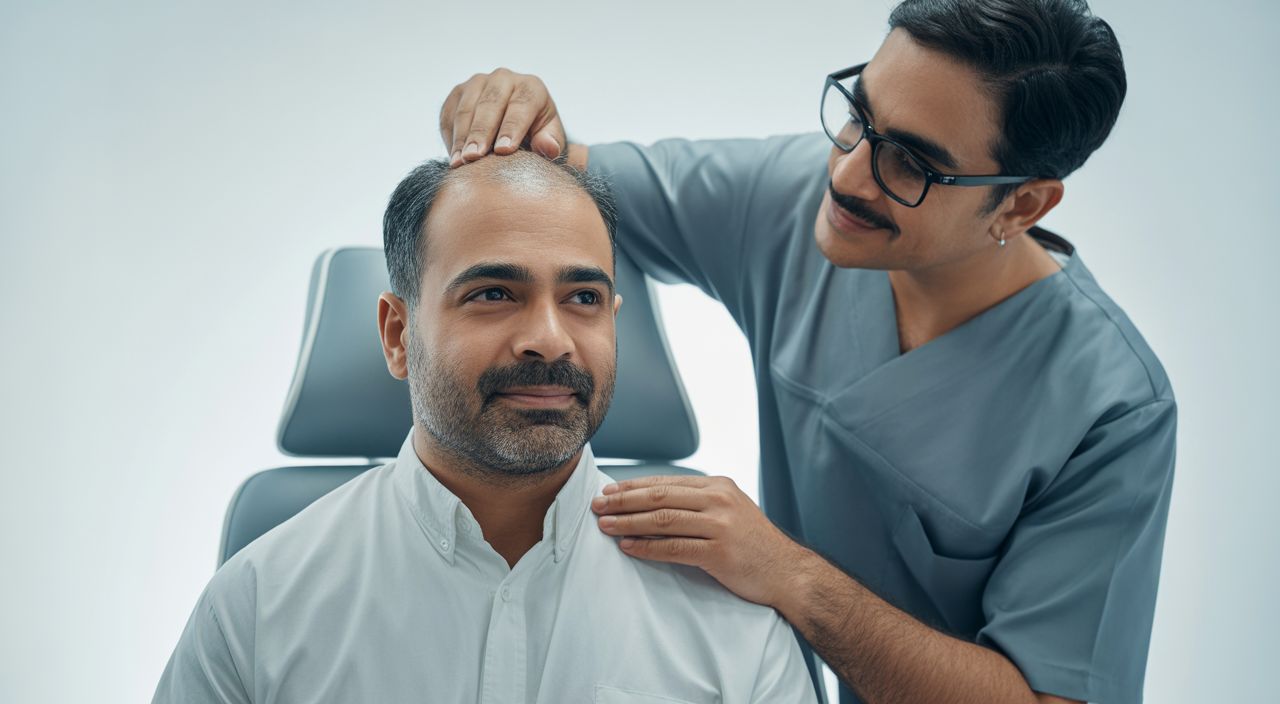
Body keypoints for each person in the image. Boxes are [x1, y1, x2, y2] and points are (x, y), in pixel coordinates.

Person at [437, 1, 1176, 703]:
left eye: (912, 164)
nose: (847, 175)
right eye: (858, 115)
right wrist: (508, 109)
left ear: (1022, 205)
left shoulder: (1112, 407)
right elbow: (562, 172)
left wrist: (790, 574)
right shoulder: (796, 197)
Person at [152, 151, 819, 704]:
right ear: (397, 333)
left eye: (583, 298)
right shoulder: (258, 607)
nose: (549, 339)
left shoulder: (735, 622)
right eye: (494, 294)